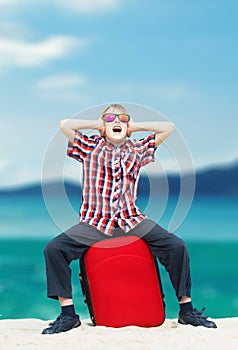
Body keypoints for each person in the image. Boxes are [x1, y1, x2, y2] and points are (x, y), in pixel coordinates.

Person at [42, 103, 217, 334]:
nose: (117, 122)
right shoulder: (89, 146)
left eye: (122, 119)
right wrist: (102, 125)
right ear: (102, 127)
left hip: (131, 220)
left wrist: (131, 127)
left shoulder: (138, 149)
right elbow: (65, 124)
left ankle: (186, 311)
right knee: (54, 249)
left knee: (177, 247)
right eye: (111, 119)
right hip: (95, 222)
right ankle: (68, 315)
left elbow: (168, 128)